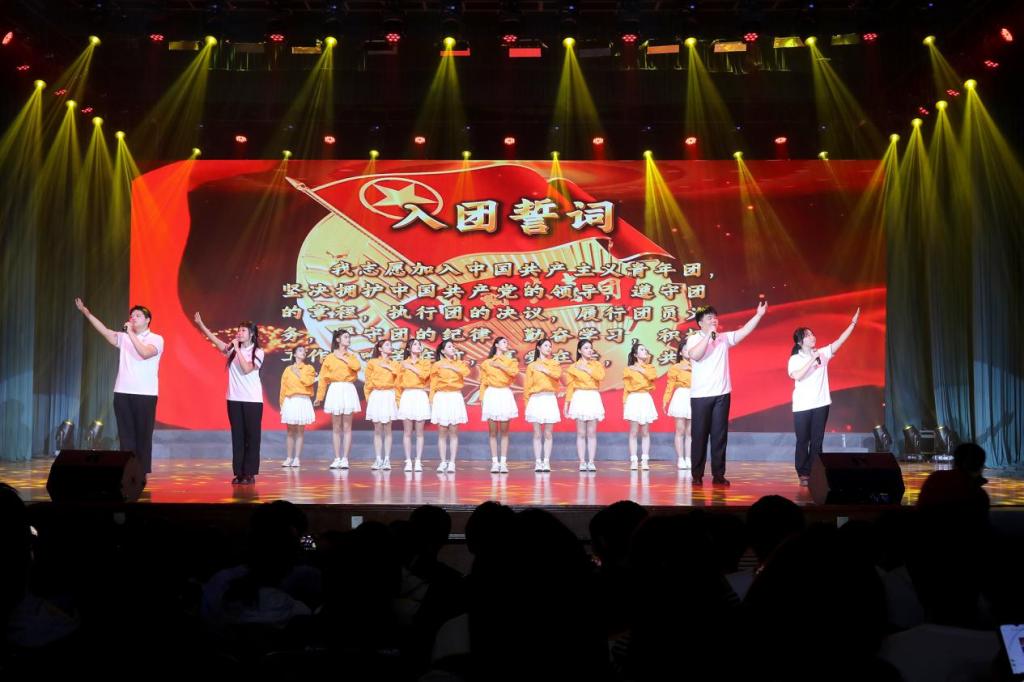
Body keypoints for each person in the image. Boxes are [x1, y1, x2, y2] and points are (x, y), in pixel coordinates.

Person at [75, 298, 163, 480]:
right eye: (132, 316)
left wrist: (130, 333)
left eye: (138, 316)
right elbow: (105, 331)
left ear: (147, 320)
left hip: (145, 394)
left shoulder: (156, 339)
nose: (133, 318)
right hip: (122, 392)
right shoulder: (123, 338)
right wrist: (87, 313)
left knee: (143, 435)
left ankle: (141, 473)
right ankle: (128, 472)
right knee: (125, 435)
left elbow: (145, 353)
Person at [686, 301, 768, 486]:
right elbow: (696, 355)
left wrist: (758, 315)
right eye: (709, 318)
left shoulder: (723, 338)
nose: (714, 320)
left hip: (722, 395)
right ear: (700, 322)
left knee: (719, 436)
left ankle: (718, 475)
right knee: (699, 436)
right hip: (700, 396)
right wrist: (708, 337)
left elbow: (744, 331)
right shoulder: (694, 338)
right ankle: (697, 474)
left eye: (715, 318)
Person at [788, 308, 859, 485]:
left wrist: (852, 324)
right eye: (808, 335)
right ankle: (802, 472)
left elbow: (839, 341)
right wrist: (813, 359)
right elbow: (797, 376)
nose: (813, 337)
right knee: (803, 440)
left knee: (817, 441)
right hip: (802, 406)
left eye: (812, 334)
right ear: (800, 341)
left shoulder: (824, 352)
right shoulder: (795, 359)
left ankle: (814, 472)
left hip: (821, 404)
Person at [194, 315, 265, 484]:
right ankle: (239, 473)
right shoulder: (232, 349)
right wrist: (202, 325)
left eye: (243, 331)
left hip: (253, 401)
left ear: (252, 334)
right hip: (234, 399)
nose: (239, 333)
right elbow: (216, 341)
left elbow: (247, 369)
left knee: (252, 437)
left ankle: (249, 473)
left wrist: (237, 349)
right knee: (237, 436)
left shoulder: (258, 352)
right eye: (238, 330)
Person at [314, 329, 362, 470]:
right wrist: (319, 397)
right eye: (345, 337)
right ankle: (336, 458)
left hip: (348, 388)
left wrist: (343, 358)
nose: (348, 339)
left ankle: (345, 458)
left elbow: (357, 367)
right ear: (338, 339)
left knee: (347, 427)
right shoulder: (329, 358)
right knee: (336, 427)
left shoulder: (352, 356)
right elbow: (323, 379)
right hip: (335, 389)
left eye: (349, 337)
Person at [479, 337, 519, 473]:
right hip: (491, 394)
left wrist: (501, 366)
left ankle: (503, 462)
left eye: (507, 342)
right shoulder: (487, 363)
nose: (506, 344)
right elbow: (483, 382)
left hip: (504, 393)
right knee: (492, 431)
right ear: (496, 345)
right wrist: (482, 399)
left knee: (504, 431)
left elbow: (514, 373)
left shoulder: (511, 361)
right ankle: (495, 462)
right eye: (504, 342)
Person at [564, 340, 606, 472]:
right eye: (586, 348)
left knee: (592, 432)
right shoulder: (573, 367)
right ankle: (582, 461)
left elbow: (601, 376)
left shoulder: (596, 365)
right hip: (579, 397)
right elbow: (570, 386)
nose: (589, 350)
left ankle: (591, 462)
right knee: (581, 433)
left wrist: (586, 368)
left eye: (590, 348)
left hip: (592, 396)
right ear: (579, 351)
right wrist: (567, 403)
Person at [430, 339, 470, 473]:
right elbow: (433, 384)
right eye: (449, 347)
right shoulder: (437, 365)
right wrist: (431, 400)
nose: (452, 348)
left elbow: (466, 373)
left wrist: (452, 367)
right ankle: (443, 462)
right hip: (441, 397)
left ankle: (452, 462)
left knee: (453, 431)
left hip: (455, 396)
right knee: (442, 432)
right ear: (442, 351)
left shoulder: (460, 363)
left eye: (453, 347)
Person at [524, 339, 562, 472]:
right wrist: (526, 404)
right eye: (546, 345)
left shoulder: (554, 363)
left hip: (549, 398)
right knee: (537, 433)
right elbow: (527, 386)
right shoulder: (532, 366)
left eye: (550, 346)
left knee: (548, 433)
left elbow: (557, 375)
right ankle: (538, 462)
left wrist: (544, 369)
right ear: (539, 347)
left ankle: (546, 461)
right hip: (536, 399)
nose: (549, 348)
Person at [364, 338, 400, 470]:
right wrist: (369, 398)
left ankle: (387, 459)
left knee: (388, 429)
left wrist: (388, 367)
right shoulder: (372, 362)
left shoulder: (395, 363)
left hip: (389, 394)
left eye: (390, 345)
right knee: (378, 429)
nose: (390, 347)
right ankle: (378, 458)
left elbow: (399, 378)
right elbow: (368, 382)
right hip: (376, 395)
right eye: (387, 345)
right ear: (380, 349)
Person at [622, 339, 659, 470]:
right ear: (635, 354)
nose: (645, 351)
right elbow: (626, 388)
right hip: (633, 398)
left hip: (645, 398)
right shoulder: (628, 369)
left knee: (645, 432)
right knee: (633, 432)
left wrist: (639, 369)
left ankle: (644, 460)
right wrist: (624, 403)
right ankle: (633, 460)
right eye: (642, 350)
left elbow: (652, 377)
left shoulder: (650, 368)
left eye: (645, 349)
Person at [397, 339, 432, 472]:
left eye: (419, 344)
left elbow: (425, 375)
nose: (418, 346)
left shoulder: (425, 363)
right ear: (408, 349)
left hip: (420, 394)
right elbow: (398, 384)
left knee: (419, 432)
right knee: (407, 432)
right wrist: (398, 401)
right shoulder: (402, 364)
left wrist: (411, 367)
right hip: (407, 395)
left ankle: (418, 460)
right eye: (415, 344)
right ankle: (408, 460)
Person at [278, 344, 316, 468]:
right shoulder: (288, 369)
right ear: (294, 354)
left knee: (300, 431)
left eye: (304, 351)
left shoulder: (309, 368)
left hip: (302, 400)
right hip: (290, 400)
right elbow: (283, 388)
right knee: (290, 431)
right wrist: (282, 404)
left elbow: (309, 382)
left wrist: (298, 373)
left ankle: (297, 458)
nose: (303, 352)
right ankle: (289, 458)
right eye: (300, 350)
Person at [664, 341, 693, 470]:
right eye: (686, 349)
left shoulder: (698, 366)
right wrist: (666, 400)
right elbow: (670, 385)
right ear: (680, 353)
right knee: (680, 430)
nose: (689, 351)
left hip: (693, 395)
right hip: (681, 395)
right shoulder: (676, 367)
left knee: (690, 432)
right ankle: (680, 459)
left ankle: (689, 458)